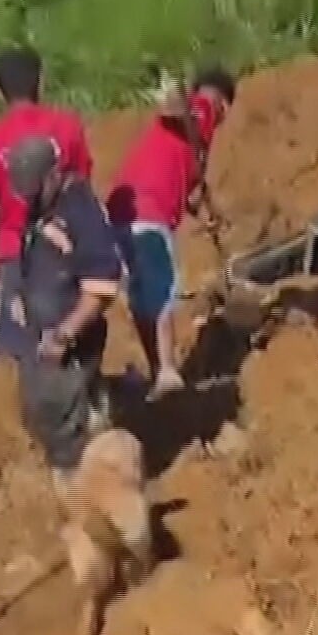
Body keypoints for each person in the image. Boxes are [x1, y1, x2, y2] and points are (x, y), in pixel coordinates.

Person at [103, 68, 237, 399]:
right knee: (160, 290)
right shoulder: (205, 108)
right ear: (226, 106)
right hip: (148, 212)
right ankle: (166, 372)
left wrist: (205, 212)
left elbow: (186, 187)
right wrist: (183, 104)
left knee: (143, 297)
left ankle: (158, 370)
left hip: (122, 211)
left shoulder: (194, 147)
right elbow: (181, 108)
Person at [2, 135, 123, 497]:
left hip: (66, 342)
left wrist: (65, 333)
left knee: (63, 417)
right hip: (39, 336)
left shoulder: (80, 213)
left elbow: (101, 287)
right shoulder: (43, 205)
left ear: (55, 175)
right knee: (38, 410)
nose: (28, 201)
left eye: (34, 192)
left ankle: (87, 496)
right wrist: (18, 293)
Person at [0, 48, 94, 362]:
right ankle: (85, 394)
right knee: (74, 327)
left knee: (21, 343)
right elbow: (82, 186)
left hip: (15, 251)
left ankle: (35, 398)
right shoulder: (68, 126)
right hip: (67, 245)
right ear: (41, 80)